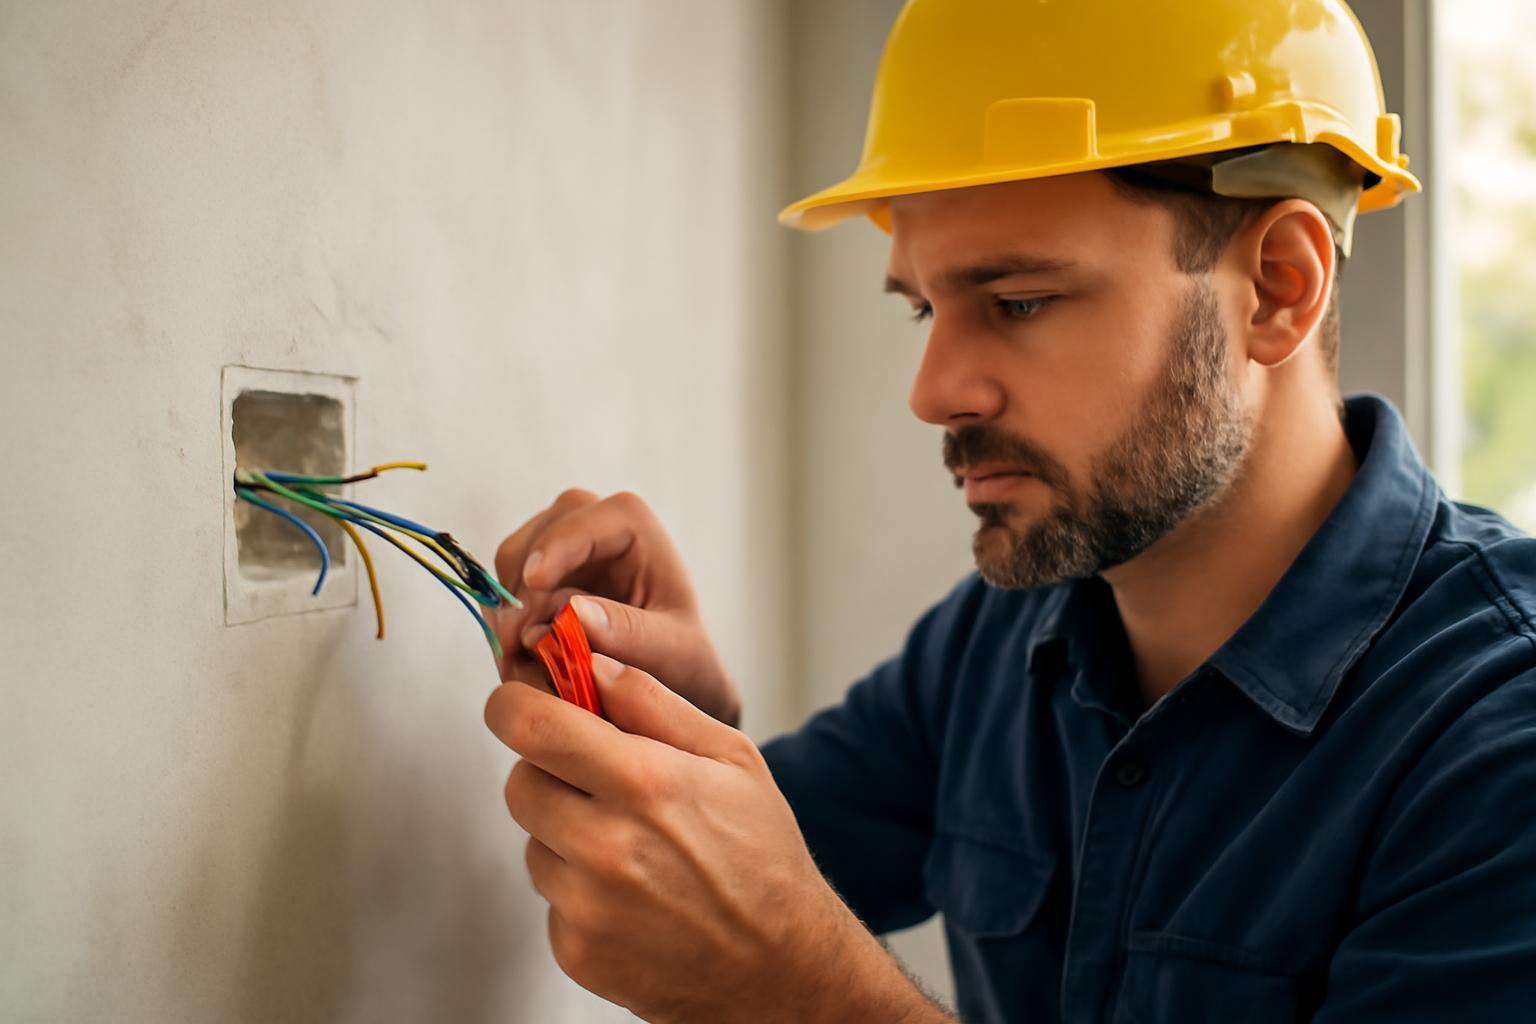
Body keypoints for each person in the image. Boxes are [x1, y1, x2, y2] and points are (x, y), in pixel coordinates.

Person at [481, 1, 1536, 1020]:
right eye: (926, 308)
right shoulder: (1003, 642)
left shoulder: (1496, 738)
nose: (934, 390)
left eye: (1020, 301)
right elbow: (742, 892)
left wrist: (806, 1002)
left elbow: (779, 953)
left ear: (1276, 287)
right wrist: (664, 724)